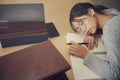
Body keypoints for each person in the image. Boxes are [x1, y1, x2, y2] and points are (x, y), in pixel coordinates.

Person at [68, 2, 120, 80]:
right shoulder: (110, 12)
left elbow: (115, 74)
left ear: (91, 12)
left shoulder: (110, 32)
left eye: (82, 23)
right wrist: (93, 32)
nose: (84, 30)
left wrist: (85, 55)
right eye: (80, 29)